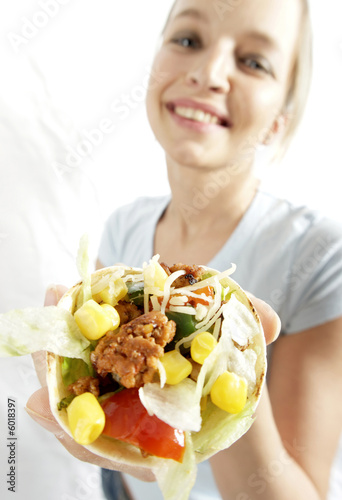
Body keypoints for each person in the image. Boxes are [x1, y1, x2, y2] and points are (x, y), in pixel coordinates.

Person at [26, 0, 342, 499]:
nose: (209, 74)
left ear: (280, 118)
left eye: (254, 61)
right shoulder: (125, 225)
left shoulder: (323, 257)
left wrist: (228, 361)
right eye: (189, 40)